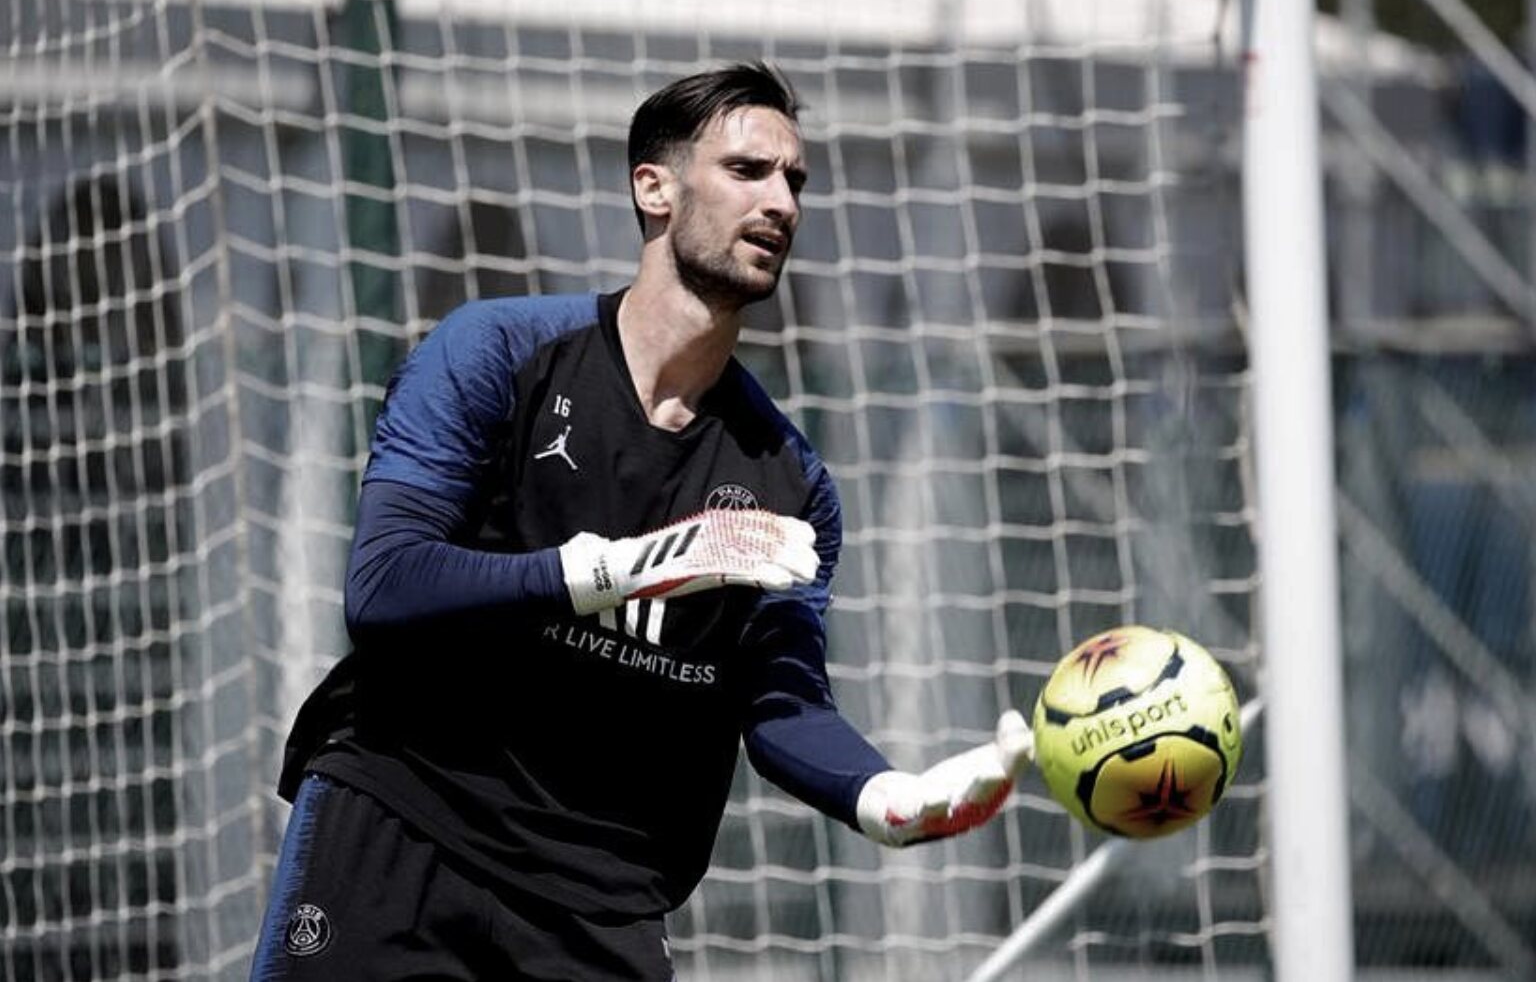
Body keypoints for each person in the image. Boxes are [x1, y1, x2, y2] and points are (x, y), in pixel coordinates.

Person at [251, 61, 1031, 982]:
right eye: (749, 170)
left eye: (795, 180)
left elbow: (781, 704)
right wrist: (624, 570)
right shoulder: (495, 352)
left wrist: (887, 795)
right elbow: (383, 587)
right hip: (404, 830)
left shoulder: (790, 480)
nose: (781, 200)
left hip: (602, 896)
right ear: (653, 188)